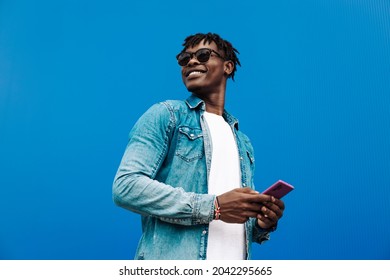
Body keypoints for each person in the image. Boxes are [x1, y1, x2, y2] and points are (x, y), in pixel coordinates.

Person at [113, 32, 285, 260]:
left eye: (203, 55)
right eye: (185, 58)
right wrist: (214, 206)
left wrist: (261, 223)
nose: (192, 61)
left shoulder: (243, 142)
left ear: (228, 67)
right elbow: (126, 186)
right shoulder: (167, 116)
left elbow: (232, 224)